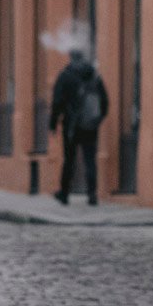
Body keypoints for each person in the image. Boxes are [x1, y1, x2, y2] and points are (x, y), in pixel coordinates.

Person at [49, 48, 109, 206]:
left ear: (70, 58)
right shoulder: (94, 76)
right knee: (90, 160)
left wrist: (53, 124)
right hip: (90, 126)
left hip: (71, 125)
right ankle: (92, 195)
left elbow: (57, 102)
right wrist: (96, 119)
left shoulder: (65, 76)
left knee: (69, 159)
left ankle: (64, 193)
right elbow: (104, 101)